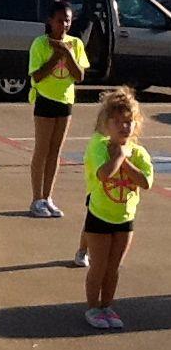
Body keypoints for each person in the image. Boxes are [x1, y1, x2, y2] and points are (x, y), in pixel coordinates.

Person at [81, 87, 152, 329]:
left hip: (125, 219)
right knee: (98, 267)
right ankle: (92, 307)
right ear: (107, 123)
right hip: (100, 216)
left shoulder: (139, 153)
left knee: (113, 268)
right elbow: (104, 174)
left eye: (129, 122)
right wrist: (118, 156)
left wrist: (126, 158)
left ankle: (107, 305)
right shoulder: (99, 147)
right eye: (119, 122)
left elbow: (145, 181)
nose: (125, 127)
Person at [28, 1, 90, 217]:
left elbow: (79, 75)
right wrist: (56, 55)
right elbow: (37, 75)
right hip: (45, 99)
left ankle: (48, 197)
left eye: (68, 20)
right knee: (42, 150)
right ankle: (36, 199)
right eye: (60, 20)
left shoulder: (75, 44)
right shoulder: (40, 44)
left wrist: (67, 52)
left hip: (66, 100)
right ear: (50, 21)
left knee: (55, 151)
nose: (64, 25)